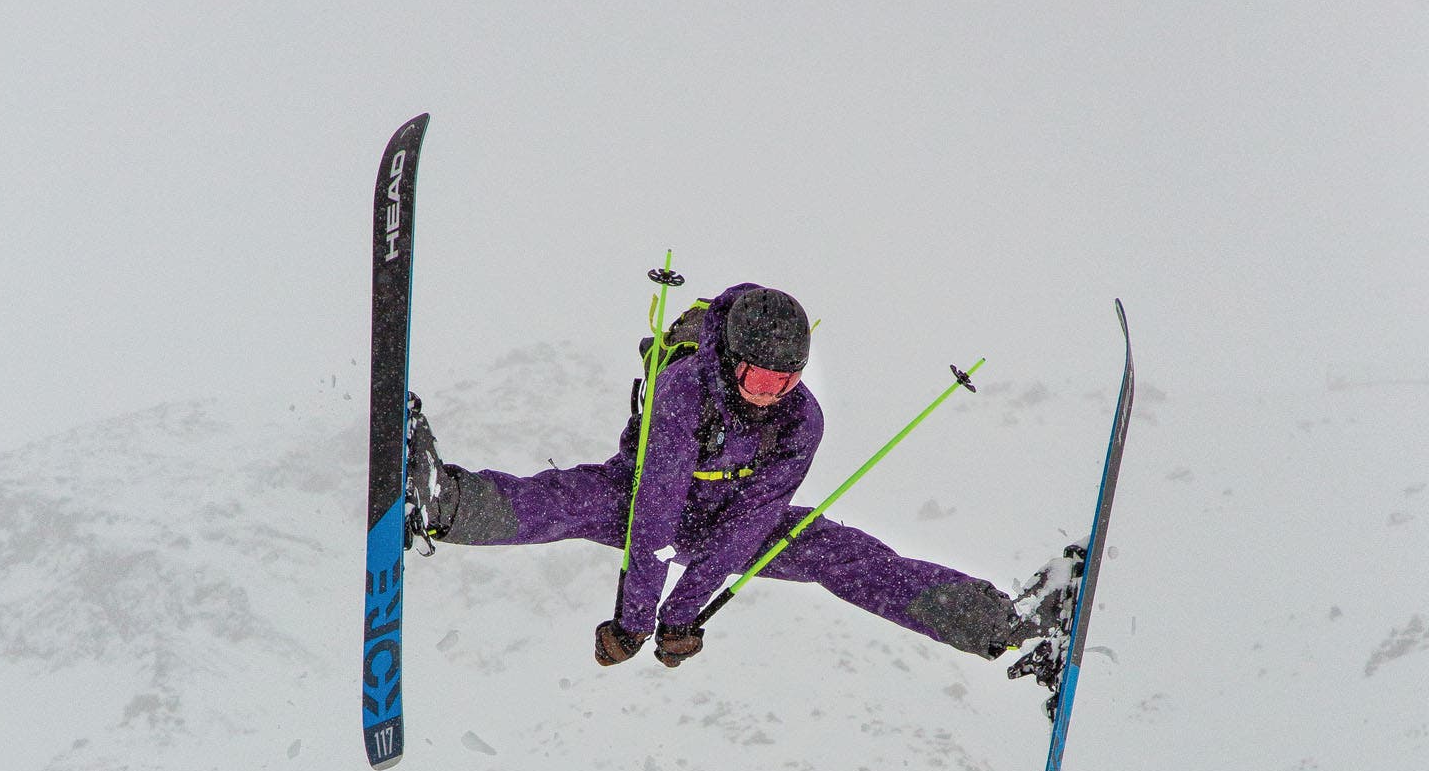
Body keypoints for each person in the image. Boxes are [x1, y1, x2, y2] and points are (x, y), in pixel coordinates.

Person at [404, 282, 1078, 684]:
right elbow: (655, 516)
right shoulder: (683, 390)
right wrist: (640, 623)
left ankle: (1006, 625)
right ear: (731, 362)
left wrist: (685, 615)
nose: (771, 396)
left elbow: (751, 524)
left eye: (786, 382)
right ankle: (445, 503)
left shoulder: (799, 422)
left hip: (730, 516)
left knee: (849, 556)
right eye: (760, 380)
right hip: (643, 494)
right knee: (566, 503)